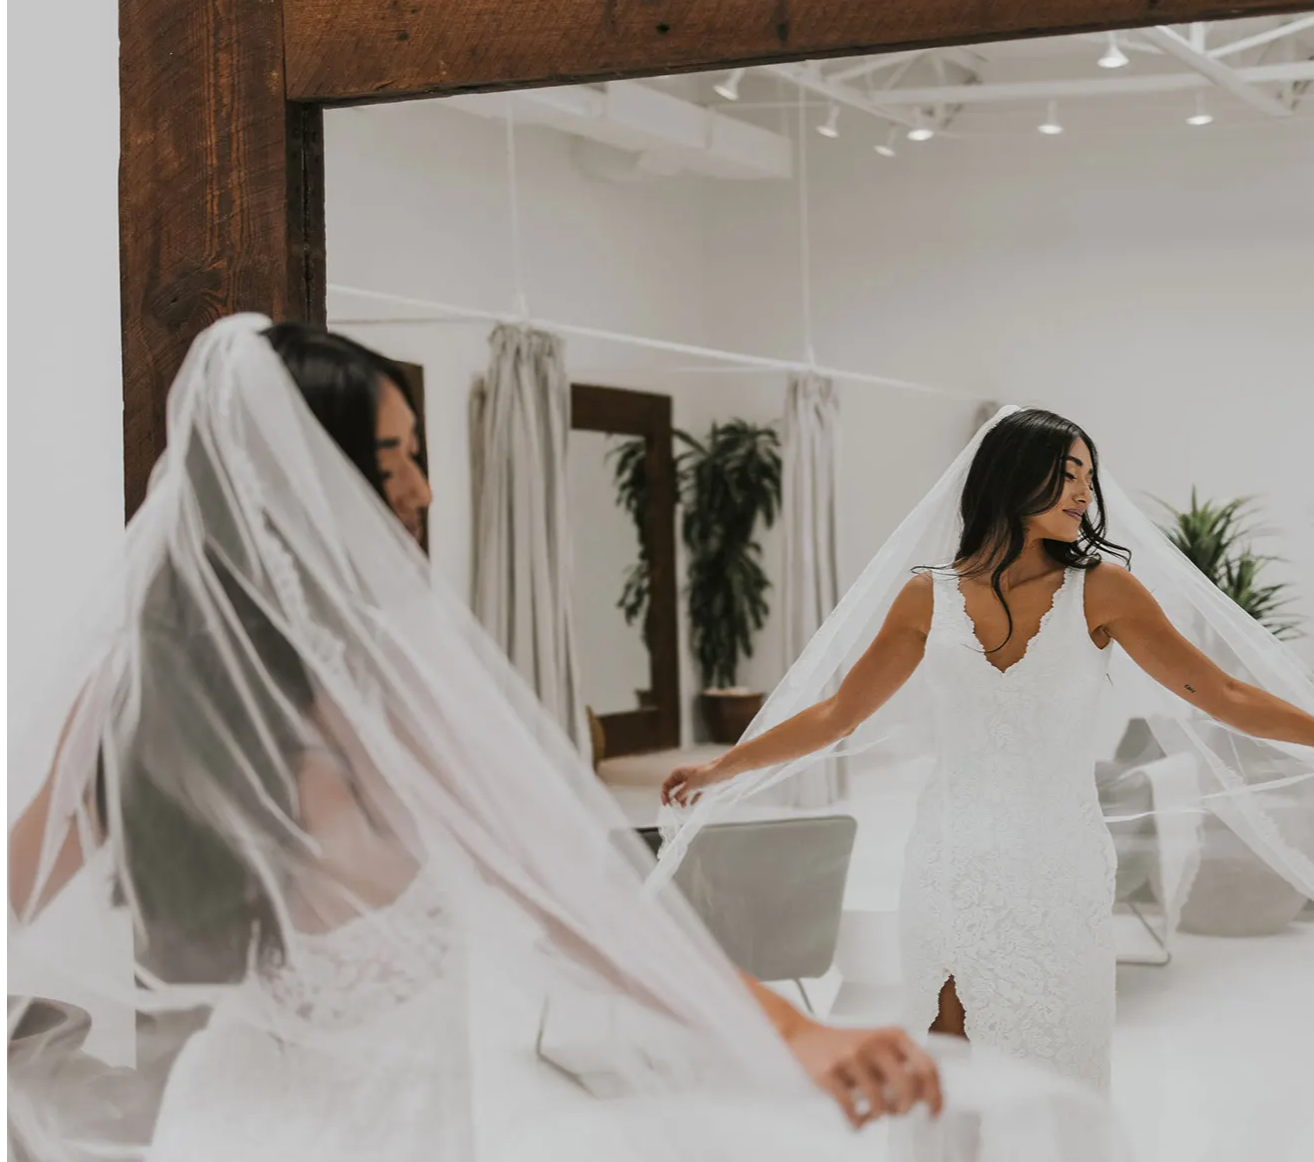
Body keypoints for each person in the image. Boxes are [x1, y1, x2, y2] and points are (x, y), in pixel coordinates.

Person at [7, 320, 1129, 1162]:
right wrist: (789, 1030)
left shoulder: (155, 685)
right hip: (342, 1126)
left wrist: (789, 1027)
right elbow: (581, 897)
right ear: (304, 482)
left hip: (275, 1118)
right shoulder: (315, 698)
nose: (421, 487)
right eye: (389, 460)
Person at [655, 407, 1314, 1157]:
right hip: (951, 854)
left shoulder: (1106, 592)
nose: (1084, 490)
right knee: (945, 1044)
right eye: (1064, 472)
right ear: (1009, 481)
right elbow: (836, 714)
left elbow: (1224, 692)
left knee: (1055, 1051)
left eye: (1088, 474)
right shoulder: (924, 597)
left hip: (1056, 857)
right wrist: (721, 767)